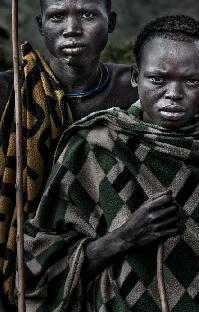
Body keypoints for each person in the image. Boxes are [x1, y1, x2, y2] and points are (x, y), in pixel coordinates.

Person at [23, 15, 199, 311]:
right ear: (136, 77)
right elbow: (38, 268)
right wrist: (125, 237)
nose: (173, 95)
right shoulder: (95, 145)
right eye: (158, 79)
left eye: (191, 81)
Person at [0, 0, 138, 307]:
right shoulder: (10, 91)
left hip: (122, 261)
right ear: (40, 25)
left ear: (111, 22)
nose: (72, 29)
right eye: (58, 16)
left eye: (88, 15)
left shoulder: (136, 88)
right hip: (25, 260)